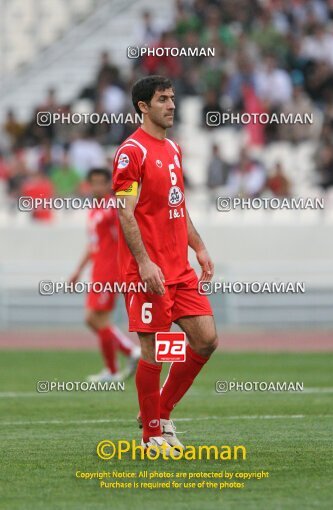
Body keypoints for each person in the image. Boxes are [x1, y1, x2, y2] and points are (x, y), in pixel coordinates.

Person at [112, 76, 218, 455]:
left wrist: (200, 248)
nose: (171, 105)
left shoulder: (172, 148)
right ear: (143, 106)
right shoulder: (131, 152)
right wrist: (143, 263)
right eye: (162, 99)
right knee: (153, 350)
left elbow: (177, 206)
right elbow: (125, 213)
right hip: (150, 272)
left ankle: (160, 411)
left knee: (206, 339)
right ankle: (152, 436)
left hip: (180, 270)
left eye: (172, 98)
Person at [69, 168, 140, 382]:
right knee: (92, 319)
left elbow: (128, 214)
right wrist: (78, 271)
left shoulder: (112, 207)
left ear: (109, 184)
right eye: (94, 183)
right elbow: (92, 246)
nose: (97, 187)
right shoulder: (94, 210)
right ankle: (121, 360)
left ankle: (123, 358)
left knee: (96, 318)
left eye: (102, 182)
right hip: (98, 270)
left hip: (110, 271)